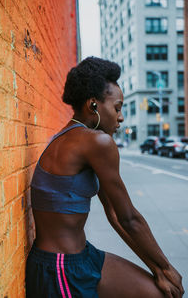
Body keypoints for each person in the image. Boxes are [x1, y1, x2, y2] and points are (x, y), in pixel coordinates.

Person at [25, 57, 184, 298]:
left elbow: (115, 216)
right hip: (59, 269)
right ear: (93, 106)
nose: (120, 117)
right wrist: (167, 268)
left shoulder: (71, 137)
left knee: (158, 292)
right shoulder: (98, 142)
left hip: (85, 256)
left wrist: (157, 270)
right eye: (117, 108)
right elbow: (129, 217)